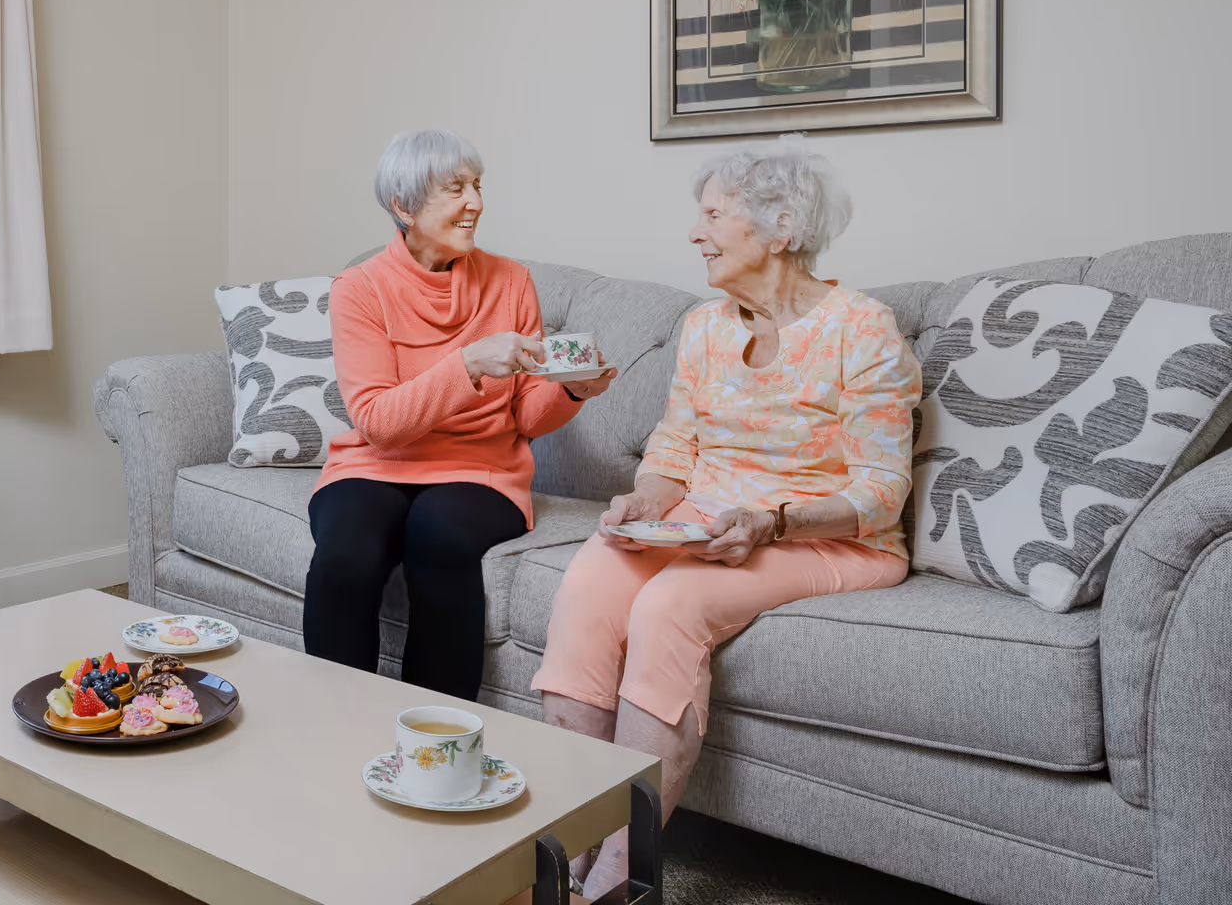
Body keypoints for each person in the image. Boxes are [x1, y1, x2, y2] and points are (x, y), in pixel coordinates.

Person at [531, 136, 919, 900]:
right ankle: (559, 855)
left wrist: (772, 522)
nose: (695, 231)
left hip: (831, 534)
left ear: (780, 227)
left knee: (673, 602)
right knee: (590, 576)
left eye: (713, 214)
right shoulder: (706, 327)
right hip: (706, 518)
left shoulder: (861, 328)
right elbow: (674, 446)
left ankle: (615, 882)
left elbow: (882, 491)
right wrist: (646, 497)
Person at [304, 129, 616, 701]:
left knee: (439, 540)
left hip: (480, 469)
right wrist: (468, 364)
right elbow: (377, 422)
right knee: (346, 554)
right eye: (455, 189)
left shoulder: (511, 281)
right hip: (376, 463)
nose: (475, 201)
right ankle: (335, 721)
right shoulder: (361, 288)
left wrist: (572, 390)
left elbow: (525, 416)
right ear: (403, 206)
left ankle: (435, 740)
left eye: (476, 186)